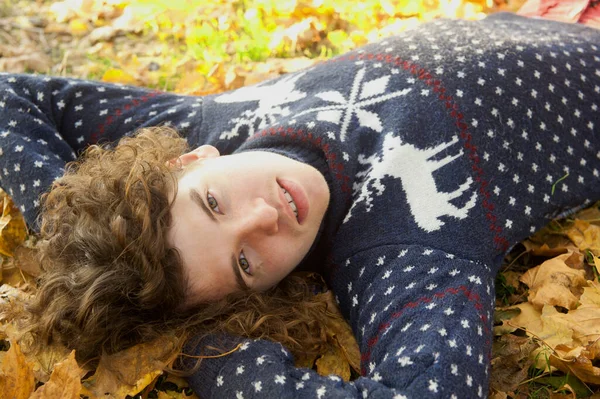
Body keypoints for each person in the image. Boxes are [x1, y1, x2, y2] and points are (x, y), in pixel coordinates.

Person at [1, 11, 599, 398]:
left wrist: (69, 226)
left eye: (213, 203)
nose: (266, 218)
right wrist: (207, 353)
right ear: (264, 296)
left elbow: (11, 96)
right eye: (245, 263)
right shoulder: (409, 245)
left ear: (189, 161)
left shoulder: (206, 124)